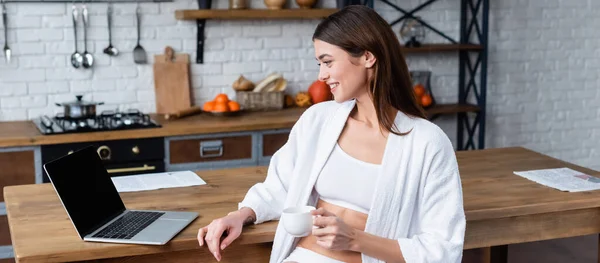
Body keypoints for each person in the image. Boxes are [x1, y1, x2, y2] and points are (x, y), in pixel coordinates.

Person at [197, 5, 466, 263]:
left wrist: (354, 240)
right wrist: (240, 215)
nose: (322, 75)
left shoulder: (426, 142)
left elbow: (442, 249)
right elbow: (281, 185)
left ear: (368, 57)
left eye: (327, 62)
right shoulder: (318, 120)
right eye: (319, 64)